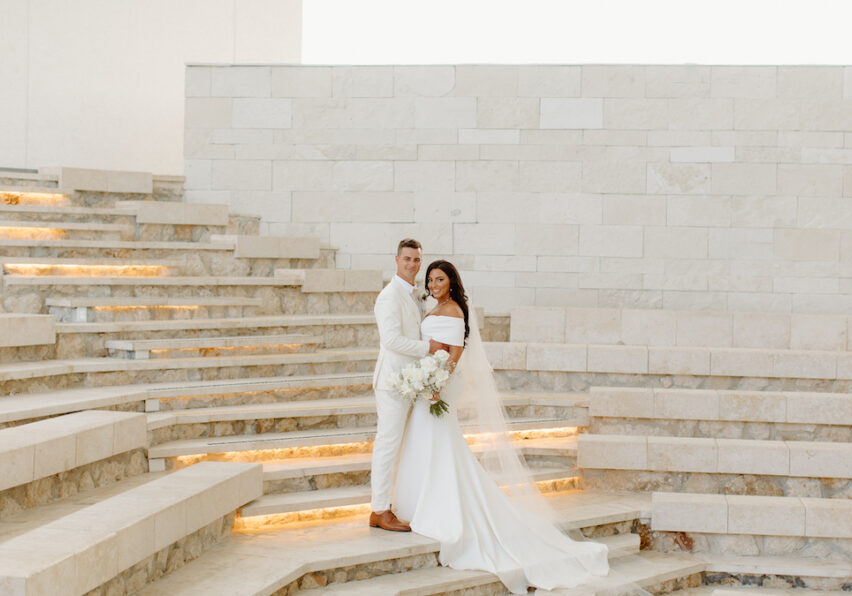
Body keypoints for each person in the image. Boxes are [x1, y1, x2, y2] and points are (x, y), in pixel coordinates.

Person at [392, 259, 610, 594]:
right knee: (426, 438)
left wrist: (436, 381)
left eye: (440, 279)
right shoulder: (436, 307)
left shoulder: (452, 311)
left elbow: (455, 352)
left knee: (438, 437)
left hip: (439, 383)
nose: (434, 285)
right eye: (430, 280)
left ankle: (442, 503)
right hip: (428, 381)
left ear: (451, 282)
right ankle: (418, 498)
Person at [369, 238, 442, 532]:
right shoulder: (389, 296)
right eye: (407, 259)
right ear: (396, 260)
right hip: (392, 381)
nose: (412, 264)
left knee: (403, 446)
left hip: (411, 381)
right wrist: (429, 347)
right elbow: (391, 341)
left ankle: (398, 503)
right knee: (387, 444)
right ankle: (378, 510)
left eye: (416, 260)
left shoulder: (416, 294)